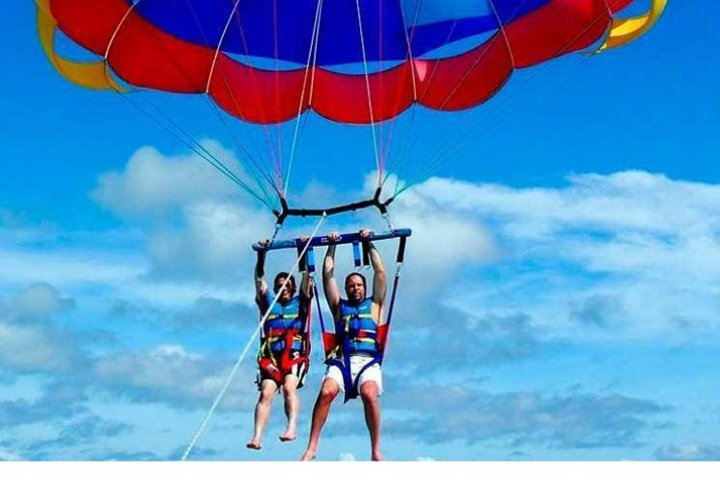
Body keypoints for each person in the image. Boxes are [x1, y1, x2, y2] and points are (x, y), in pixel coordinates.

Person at [300, 229, 387, 461]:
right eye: (350, 285)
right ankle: (312, 447)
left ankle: (375, 449)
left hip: (368, 362)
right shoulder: (340, 307)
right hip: (343, 361)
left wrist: (369, 243)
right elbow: (327, 276)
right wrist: (332, 245)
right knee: (326, 391)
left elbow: (380, 272)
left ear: (364, 288)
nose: (355, 288)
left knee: (370, 394)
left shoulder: (376, 304)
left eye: (358, 285)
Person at [246, 240, 313, 450]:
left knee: (288, 388)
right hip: (271, 358)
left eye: (288, 285)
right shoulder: (268, 303)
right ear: (276, 288)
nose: (284, 288)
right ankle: (257, 437)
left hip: (293, 354)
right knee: (266, 392)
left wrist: (302, 250)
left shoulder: (301, 301)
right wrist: (261, 255)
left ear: (292, 288)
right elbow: (259, 279)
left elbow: (306, 277)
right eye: (280, 285)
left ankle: (291, 428)